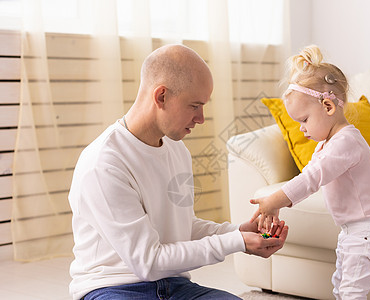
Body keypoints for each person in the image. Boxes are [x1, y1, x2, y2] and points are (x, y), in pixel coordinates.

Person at [68, 44, 288, 300]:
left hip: (174, 286)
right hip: (113, 288)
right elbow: (148, 262)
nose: (201, 118)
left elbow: (180, 228)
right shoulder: (104, 164)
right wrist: (237, 243)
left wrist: (238, 232)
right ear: (161, 96)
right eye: (194, 106)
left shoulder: (176, 150)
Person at [249, 45, 370, 300]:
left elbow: (311, 179)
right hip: (354, 231)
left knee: (350, 293)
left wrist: (276, 200)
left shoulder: (346, 142)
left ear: (328, 106)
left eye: (304, 120)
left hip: (367, 233)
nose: (302, 129)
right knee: (341, 289)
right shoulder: (327, 144)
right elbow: (309, 174)